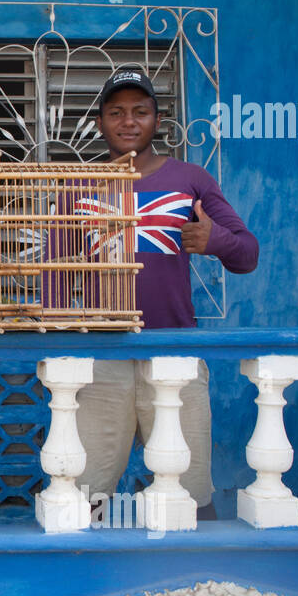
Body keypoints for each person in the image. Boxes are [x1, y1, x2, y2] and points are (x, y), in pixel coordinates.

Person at [71, 69, 259, 519]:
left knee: (191, 495)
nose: (129, 121)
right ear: (100, 122)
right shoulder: (76, 184)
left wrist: (215, 241)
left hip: (175, 353)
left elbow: (247, 254)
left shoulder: (191, 178)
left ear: (158, 119)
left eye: (140, 111)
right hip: (101, 359)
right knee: (81, 497)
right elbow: (55, 274)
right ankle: (88, 582)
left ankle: (193, 578)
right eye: (116, 112)